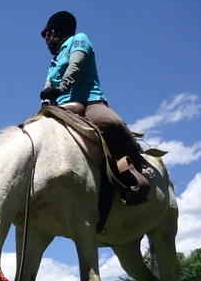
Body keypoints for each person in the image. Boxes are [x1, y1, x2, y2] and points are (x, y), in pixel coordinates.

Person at [39, 11, 149, 206]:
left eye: (47, 34)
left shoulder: (79, 40)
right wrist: (47, 99)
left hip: (90, 101)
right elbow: (48, 85)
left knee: (109, 122)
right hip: (65, 105)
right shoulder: (53, 61)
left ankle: (138, 166)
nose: (46, 39)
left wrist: (61, 88)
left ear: (56, 31)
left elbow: (76, 64)